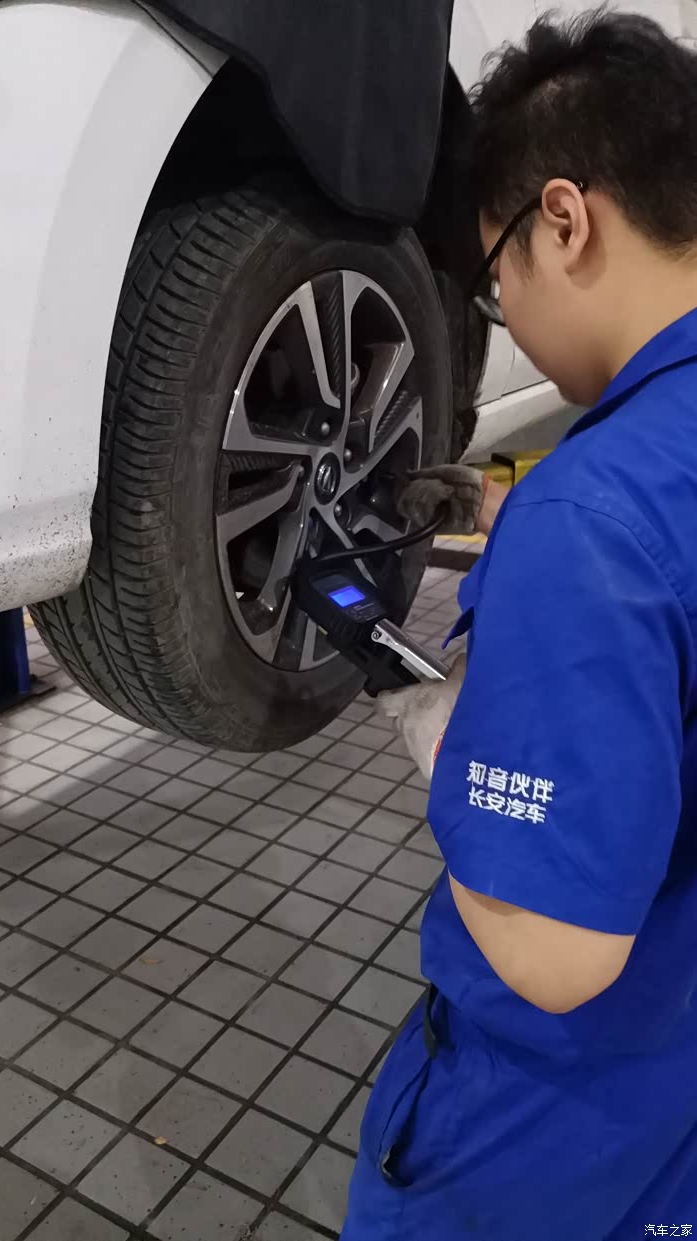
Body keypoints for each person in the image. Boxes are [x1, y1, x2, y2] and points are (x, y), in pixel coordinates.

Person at [340, 11, 697, 1241]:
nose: (502, 308)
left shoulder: (587, 520)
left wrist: (445, 739)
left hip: (560, 1131)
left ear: (563, 220)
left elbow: (555, 956)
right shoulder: (619, 488)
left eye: (495, 277)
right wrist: (506, 507)